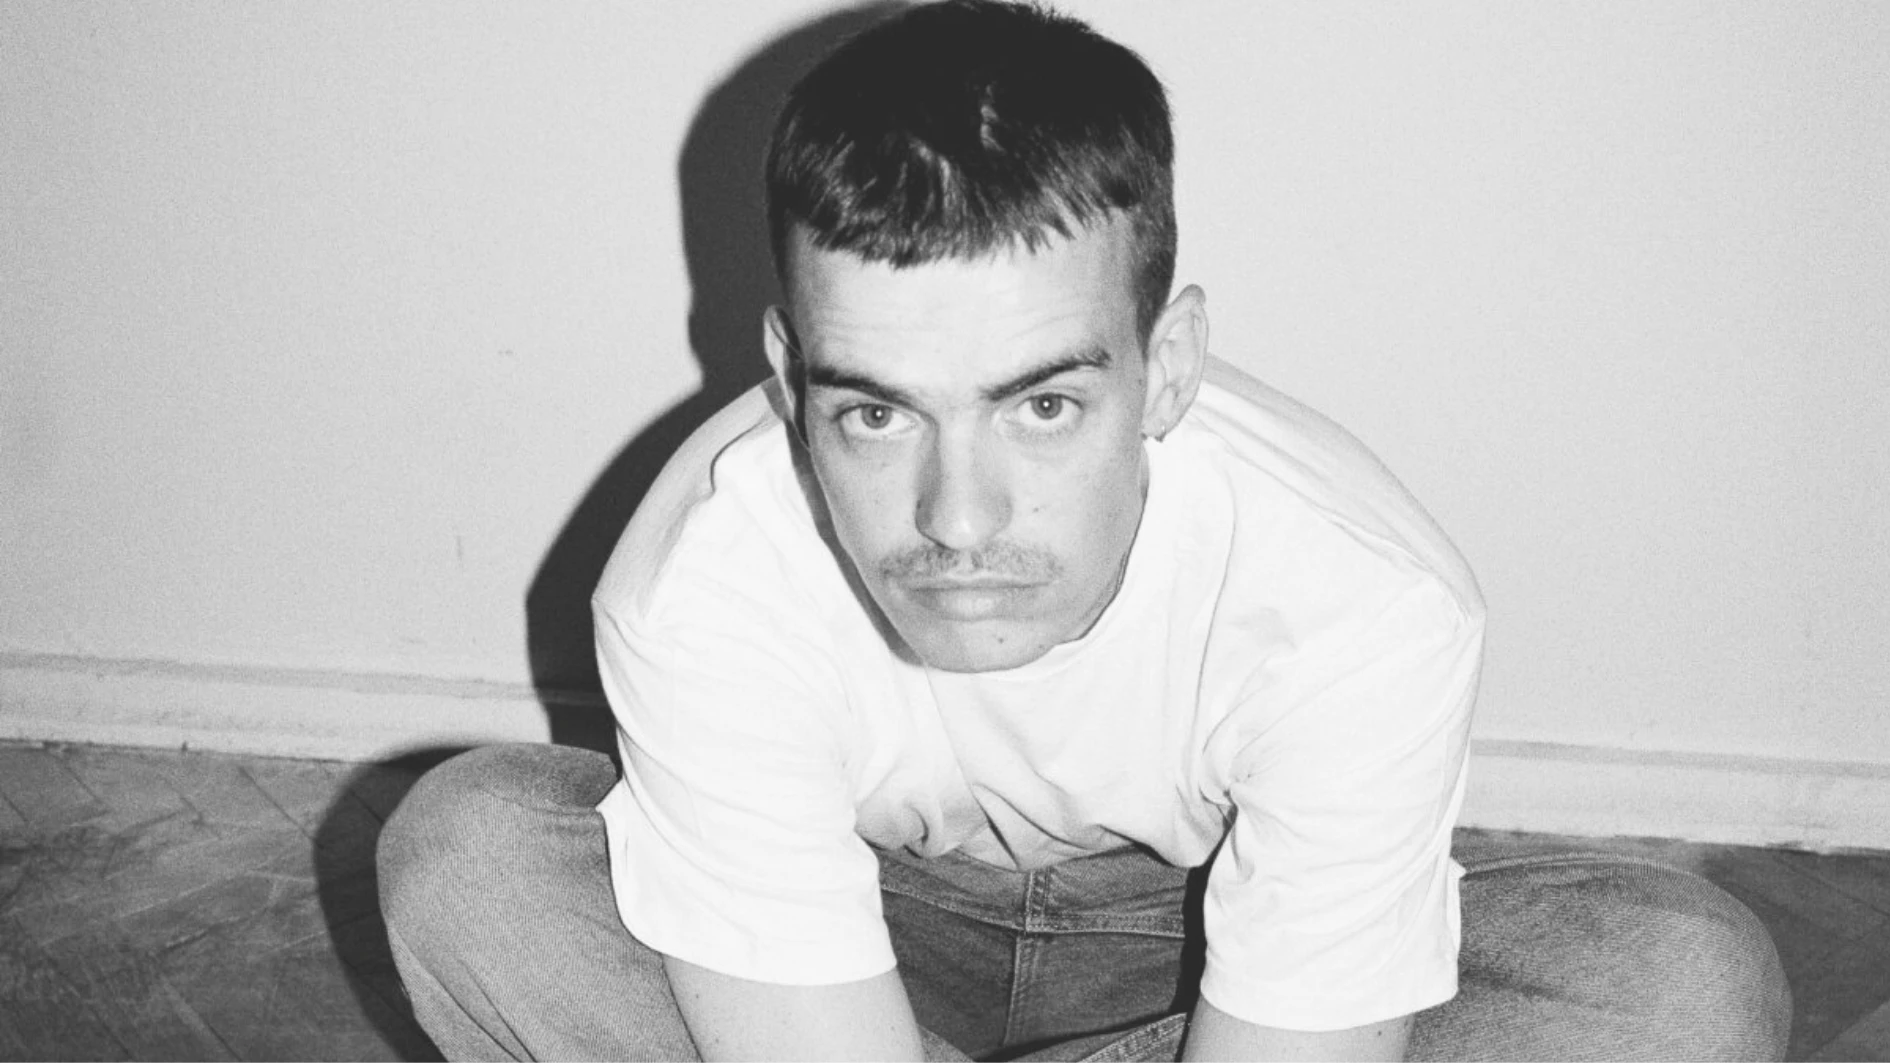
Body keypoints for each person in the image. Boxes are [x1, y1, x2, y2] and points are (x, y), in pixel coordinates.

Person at [378, 3, 1791, 1059]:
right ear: (788, 374)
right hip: (863, 915)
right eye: (874, 413)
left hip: (1191, 930)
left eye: (1041, 406)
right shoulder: (703, 583)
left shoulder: (1361, 604)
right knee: (474, 860)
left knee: (1677, 984)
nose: (957, 516)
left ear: (1166, 367)